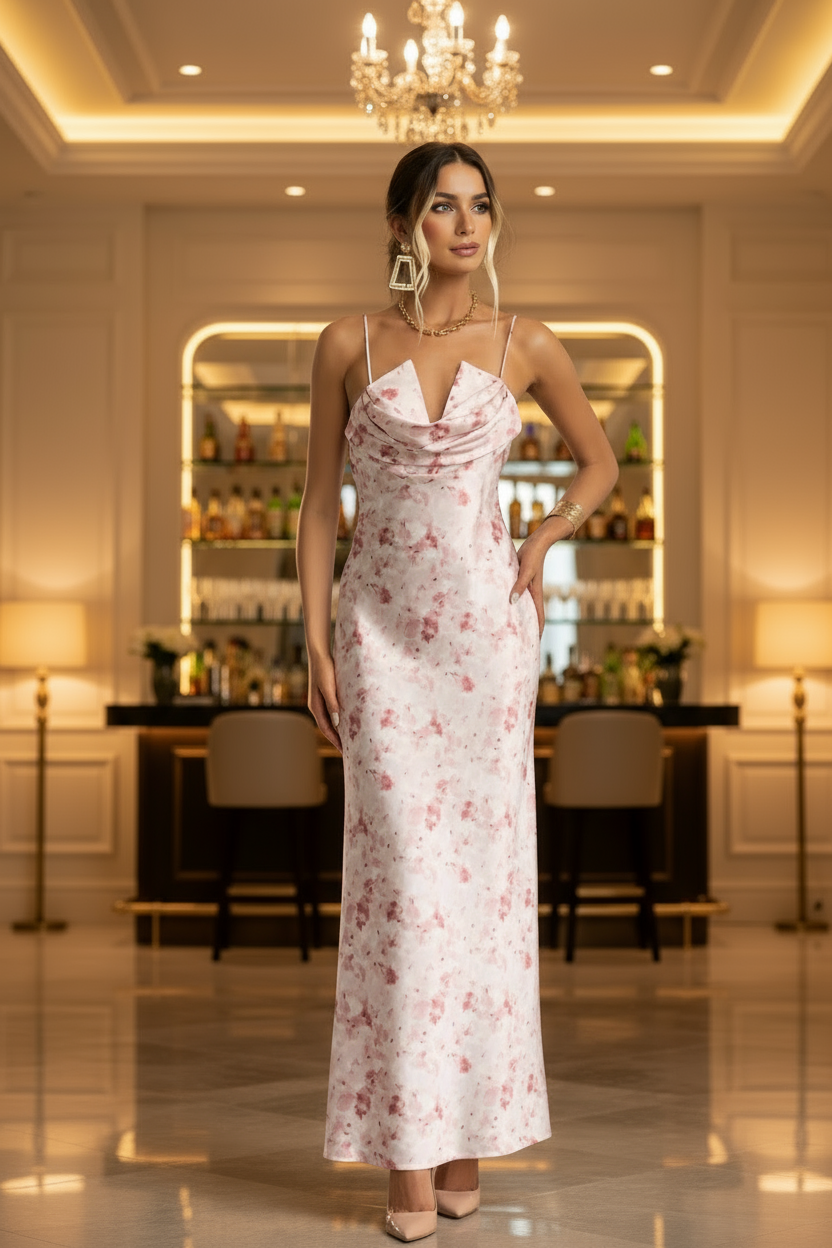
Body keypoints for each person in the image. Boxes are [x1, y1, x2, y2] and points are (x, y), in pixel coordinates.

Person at [297, 141, 618, 1242]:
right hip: (379, 644)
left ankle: (467, 1137)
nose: (466, 225)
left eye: (481, 207)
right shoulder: (347, 343)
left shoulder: (524, 341)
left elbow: (599, 463)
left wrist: (544, 534)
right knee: (404, 893)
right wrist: (314, 642)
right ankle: (407, 1154)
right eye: (442, 207)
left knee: (477, 893)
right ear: (402, 225)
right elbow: (312, 510)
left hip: (485, 645)